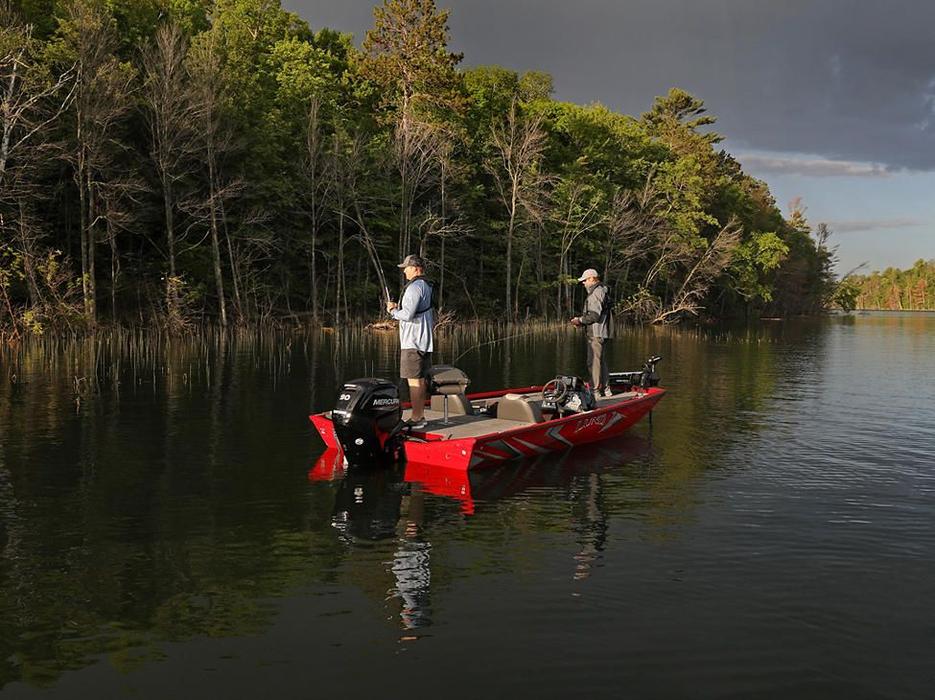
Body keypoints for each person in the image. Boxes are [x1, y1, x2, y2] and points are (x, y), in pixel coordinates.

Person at [386, 254, 434, 429]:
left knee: (414, 381)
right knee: (419, 381)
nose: (404, 271)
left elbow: (407, 315)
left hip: (413, 342)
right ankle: (419, 415)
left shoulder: (414, 288)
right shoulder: (426, 286)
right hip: (424, 341)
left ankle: (416, 418)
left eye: (406, 268)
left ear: (415, 268)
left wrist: (392, 311)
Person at [570, 268, 613, 396]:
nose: (583, 283)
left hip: (596, 334)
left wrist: (579, 320)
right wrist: (582, 322)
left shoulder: (595, 293)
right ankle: (606, 389)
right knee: (601, 361)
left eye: (584, 280)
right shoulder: (601, 291)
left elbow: (594, 316)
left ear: (591, 279)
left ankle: (595, 391)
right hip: (601, 332)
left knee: (593, 362)